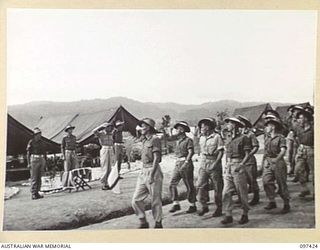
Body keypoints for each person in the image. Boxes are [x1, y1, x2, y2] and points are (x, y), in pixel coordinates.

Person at [132, 118, 163, 229]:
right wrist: (139, 130)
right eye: (140, 126)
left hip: (153, 171)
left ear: (149, 127)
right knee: (136, 199)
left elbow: (156, 159)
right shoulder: (144, 139)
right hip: (143, 171)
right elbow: (137, 135)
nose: (141, 128)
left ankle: (158, 223)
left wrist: (152, 175)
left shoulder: (155, 139)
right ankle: (143, 221)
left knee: (155, 199)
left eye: (143, 126)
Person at [221, 117, 251, 225]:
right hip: (229, 166)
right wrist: (226, 166)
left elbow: (247, 154)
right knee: (226, 192)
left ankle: (245, 214)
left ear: (235, 125)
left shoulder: (244, 138)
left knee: (241, 192)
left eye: (229, 124)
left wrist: (242, 164)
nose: (227, 126)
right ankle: (228, 214)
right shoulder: (228, 138)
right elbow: (227, 154)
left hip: (238, 165)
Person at [197, 117, 224, 217]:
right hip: (204, 163)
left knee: (217, 186)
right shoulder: (202, 137)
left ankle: (219, 207)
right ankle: (204, 206)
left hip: (214, 162)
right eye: (201, 126)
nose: (202, 128)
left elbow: (221, 152)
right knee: (200, 185)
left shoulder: (217, 137)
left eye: (204, 126)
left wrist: (216, 163)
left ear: (209, 127)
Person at [168, 121, 197, 213]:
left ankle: (192, 205)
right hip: (178, 163)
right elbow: (168, 138)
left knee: (189, 184)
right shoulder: (177, 141)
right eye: (177, 128)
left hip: (186, 163)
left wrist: (186, 162)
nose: (177, 130)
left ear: (183, 130)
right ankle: (176, 203)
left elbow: (191, 152)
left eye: (180, 128)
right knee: (172, 183)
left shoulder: (188, 140)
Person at [262, 118, 290, 214]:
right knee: (266, 181)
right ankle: (272, 201)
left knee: (281, 183)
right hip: (269, 162)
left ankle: (286, 203)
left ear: (273, 127)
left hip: (278, 162)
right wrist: (265, 163)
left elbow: (283, 150)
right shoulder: (267, 138)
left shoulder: (280, 137)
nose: (266, 128)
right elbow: (265, 152)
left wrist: (276, 160)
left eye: (268, 126)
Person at [237, 115, 260, 206]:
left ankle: (256, 196)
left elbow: (256, 146)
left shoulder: (250, 134)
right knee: (240, 180)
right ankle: (241, 198)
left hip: (249, 160)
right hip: (240, 159)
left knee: (251, 179)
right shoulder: (237, 134)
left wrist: (250, 154)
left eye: (241, 122)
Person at [294, 108, 314, 198]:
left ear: (306, 118)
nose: (299, 120)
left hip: (312, 150)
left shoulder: (314, 128)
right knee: (298, 170)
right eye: (298, 119)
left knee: (314, 172)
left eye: (300, 118)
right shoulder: (298, 128)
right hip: (301, 150)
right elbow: (296, 138)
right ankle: (305, 189)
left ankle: (316, 191)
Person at [93, 122, 115, 190]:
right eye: (108, 127)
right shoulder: (101, 133)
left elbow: (112, 143)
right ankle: (104, 183)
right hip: (105, 149)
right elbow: (94, 131)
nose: (110, 128)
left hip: (110, 149)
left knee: (110, 167)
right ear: (105, 128)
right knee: (105, 167)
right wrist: (101, 126)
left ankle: (108, 182)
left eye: (110, 127)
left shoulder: (111, 134)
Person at [26, 128, 47, 200]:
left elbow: (44, 152)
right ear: (34, 135)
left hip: (41, 158)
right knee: (34, 177)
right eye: (37, 134)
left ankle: (37, 192)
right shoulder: (31, 142)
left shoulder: (42, 142)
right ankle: (33, 193)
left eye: (40, 134)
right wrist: (28, 163)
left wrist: (45, 161)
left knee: (39, 177)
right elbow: (28, 153)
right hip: (34, 159)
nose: (39, 135)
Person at [61, 124, 78, 190]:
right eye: (69, 129)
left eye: (71, 129)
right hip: (67, 152)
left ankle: (72, 182)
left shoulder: (74, 137)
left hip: (73, 152)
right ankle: (65, 184)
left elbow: (75, 146)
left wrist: (75, 153)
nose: (71, 130)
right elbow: (62, 147)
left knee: (73, 168)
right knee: (67, 168)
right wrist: (63, 155)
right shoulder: (64, 138)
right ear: (67, 131)